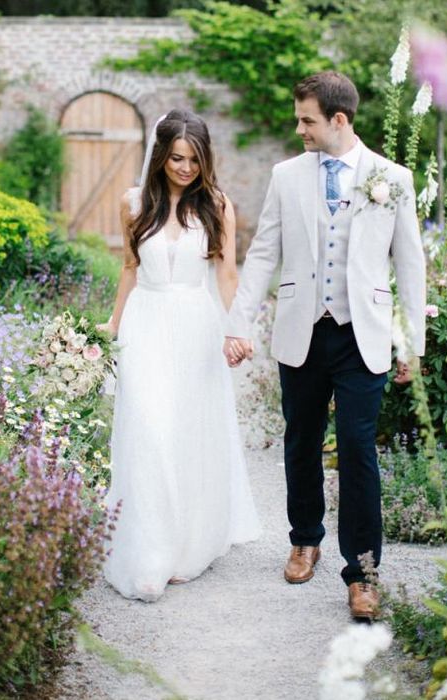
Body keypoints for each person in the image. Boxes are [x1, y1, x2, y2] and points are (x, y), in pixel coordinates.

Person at [223, 71, 426, 619]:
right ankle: (304, 538)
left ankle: (362, 572)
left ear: (338, 120)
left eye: (307, 119)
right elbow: (263, 252)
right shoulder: (286, 176)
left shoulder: (393, 177)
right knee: (302, 438)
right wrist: (238, 322)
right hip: (301, 327)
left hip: (365, 333)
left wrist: (412, 341)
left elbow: (410, 263)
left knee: (359, 449)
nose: (299, 128)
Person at [100, 109, 261, 602]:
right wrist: (113, 323)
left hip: (195, 325)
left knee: (186, 432)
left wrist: (238, 329)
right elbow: (129, 268)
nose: (185, 168)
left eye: (194, 159)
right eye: (176, 158)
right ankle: (149, 551)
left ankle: (186, 545)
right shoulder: (133, 204)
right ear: (160, 156)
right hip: (145, 324)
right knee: (147, 429)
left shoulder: (216, 205)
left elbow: (227, 276)